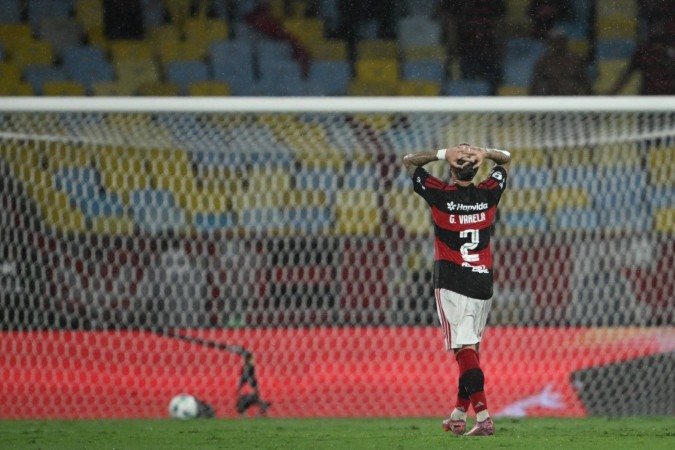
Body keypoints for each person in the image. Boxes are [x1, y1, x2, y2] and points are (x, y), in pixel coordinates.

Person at [402, 144, 511, 437]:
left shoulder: (440, 194)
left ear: (451, 169)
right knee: (471, 348)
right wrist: (484, 153)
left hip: (451, 281)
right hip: (482, 280)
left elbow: (409, 163)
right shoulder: (489, 192)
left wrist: (442, 153)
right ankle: (458, 414)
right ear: (476, 170)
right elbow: (506, 160)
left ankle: (484, 416)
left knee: (463, 350)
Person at [529, 28, 592, 95]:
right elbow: (535, 84)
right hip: (551, 98)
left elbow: (585, 82)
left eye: (560, 41)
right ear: (550, 43)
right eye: (555, 41)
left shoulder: (575, 60)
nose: (558, 44)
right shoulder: (543, 62)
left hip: (571, 98)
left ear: (565, 41)